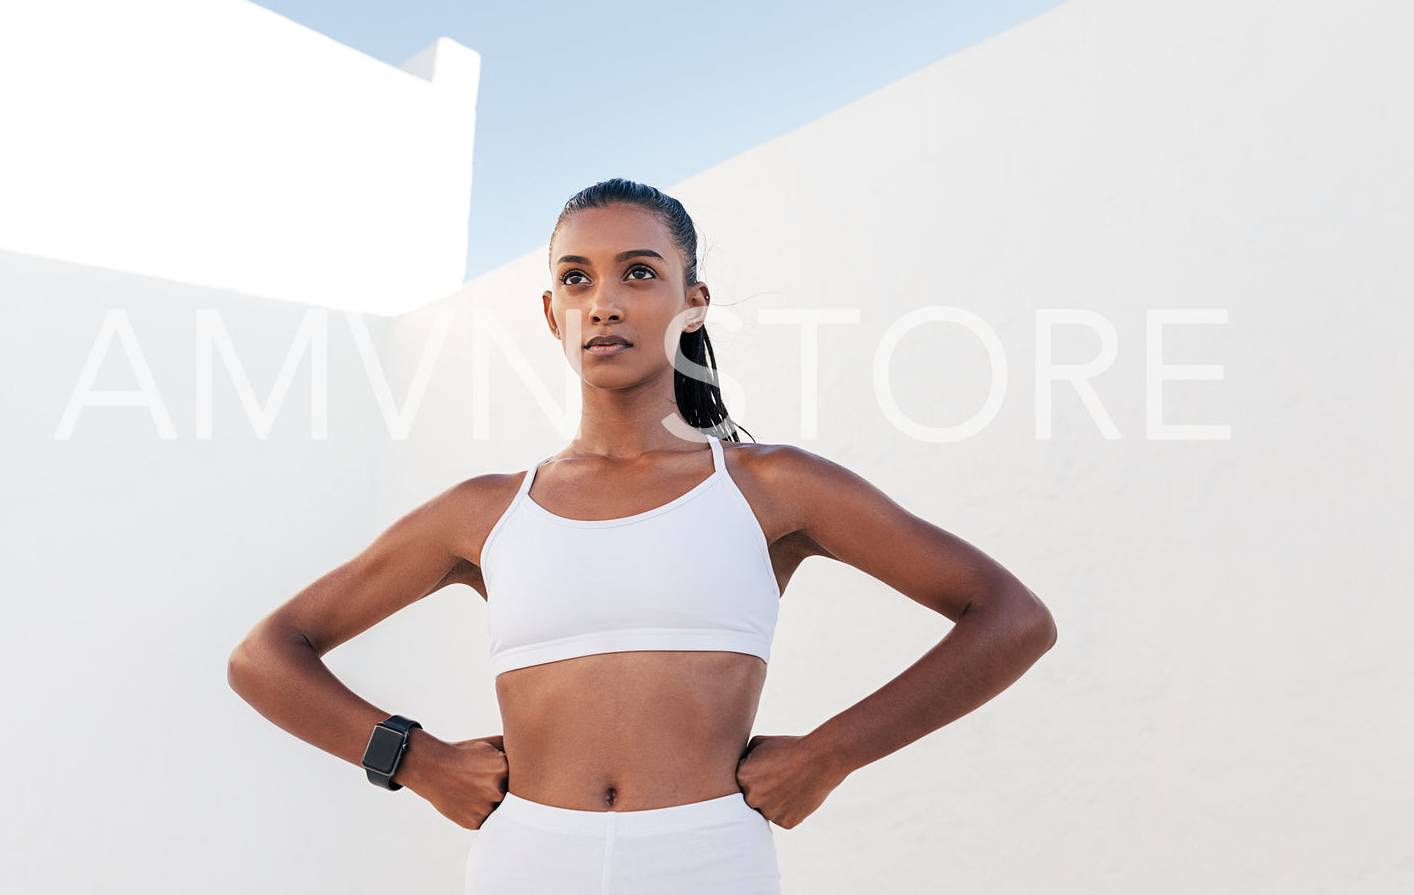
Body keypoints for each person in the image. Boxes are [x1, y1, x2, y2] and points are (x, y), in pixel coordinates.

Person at [227, 178, 1058, 893]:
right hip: (526, 863)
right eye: (576, 279)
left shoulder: (773, 488)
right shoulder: (483, 511)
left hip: (706, 860)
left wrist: (833, 753)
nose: (606, 301)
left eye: (638, 272)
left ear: (692, 304)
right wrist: (415, 762)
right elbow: (267, 655)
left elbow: (1009, 617)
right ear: (552, 314)